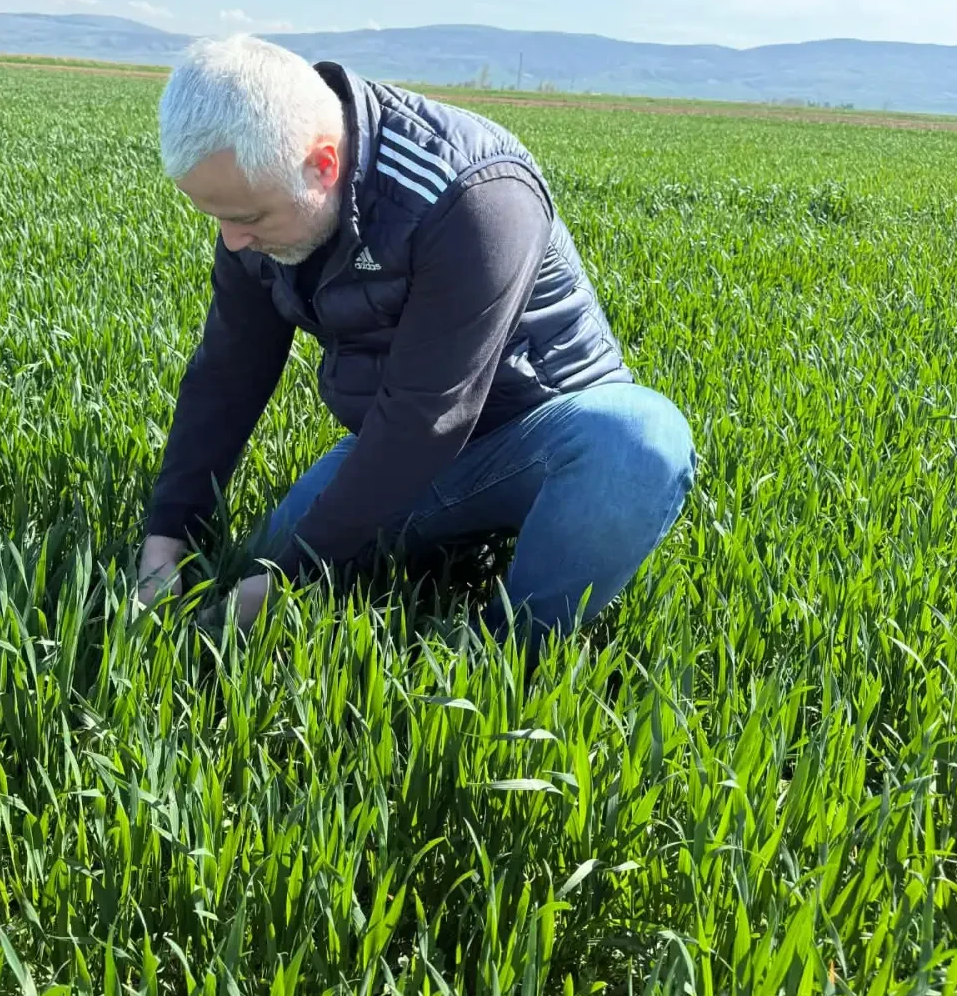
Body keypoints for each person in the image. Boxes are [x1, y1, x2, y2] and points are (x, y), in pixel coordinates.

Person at [138, 34, 695, 649]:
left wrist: (282, 583)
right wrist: (168, 534)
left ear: (322, 163)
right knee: (269, 551)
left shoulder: (472, 193)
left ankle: (506, 659)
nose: (231, 239)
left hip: (542, 440)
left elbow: (430, 411)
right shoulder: (259, 198)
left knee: (639, 443)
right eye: (217, 217)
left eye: (245, 219)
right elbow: (229, 371)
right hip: (402, 443)